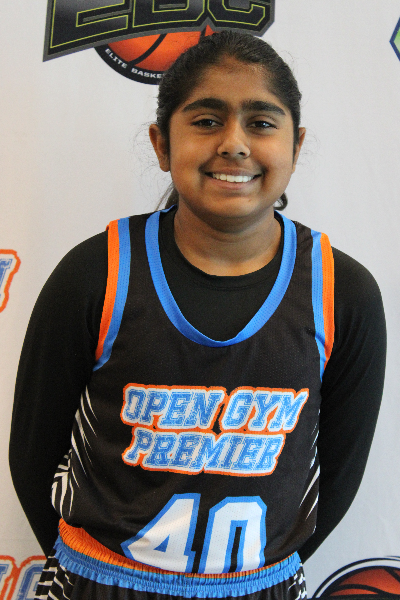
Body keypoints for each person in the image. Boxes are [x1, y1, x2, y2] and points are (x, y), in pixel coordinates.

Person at [9, 31, 386, 600]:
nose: (234, 143)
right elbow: (32, 454)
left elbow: (337, 475)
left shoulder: (343, 294)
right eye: (207, 121)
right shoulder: (96, 275)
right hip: (96, 582)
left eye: (261, 123)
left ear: (296, 145)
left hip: (261, 587)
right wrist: (91, 575)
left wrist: (255, 577)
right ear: (162, 144)